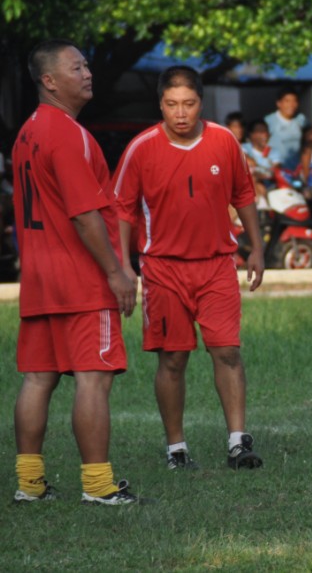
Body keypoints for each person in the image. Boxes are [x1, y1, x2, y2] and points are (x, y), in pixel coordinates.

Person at [113, 65, 266, 472]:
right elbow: (123, 209)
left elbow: (245, 195)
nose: (180, 113)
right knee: (173, 359)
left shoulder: (224, 142)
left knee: (228, 350)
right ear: (160, 104)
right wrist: (123, 266)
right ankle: (176, 447)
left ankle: (238, 441)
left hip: (217, 265)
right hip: (163, 269)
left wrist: (257, 250)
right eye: (171, 104)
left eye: (189, 104)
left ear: (201, 102)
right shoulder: (140, 148)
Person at [12, 39, 140, 505]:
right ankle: (99, 487)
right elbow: (85, 215)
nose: (87, 72)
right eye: (76, 67)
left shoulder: (28, 131)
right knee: (93, 378)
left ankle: (30, 485)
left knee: (38, 377)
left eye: (86, 65)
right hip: (80, 279)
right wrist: (115, 272)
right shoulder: (67, 134)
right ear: (49, 81)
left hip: (40, 279)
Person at [264, 87, 307, 173]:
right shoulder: (269, 121)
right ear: (279, 103)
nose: (291, 105)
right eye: (287, 101)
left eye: (294, 101)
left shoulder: (301, 119)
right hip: (276, 170)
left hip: (296, 171)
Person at [242, 118, 283, 197]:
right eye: (260, 132)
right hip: (253, 188)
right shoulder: (244, 148)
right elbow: (245, 158)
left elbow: (277, 170)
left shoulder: (274, 152)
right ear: (251, 134)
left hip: (272, 188)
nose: (264, 135)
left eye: (265, 131)